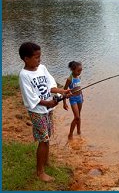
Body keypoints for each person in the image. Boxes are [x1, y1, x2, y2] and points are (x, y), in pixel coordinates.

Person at [18, 42, 71, 182]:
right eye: (36, 57)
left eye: (40, 57)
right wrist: (48, 103)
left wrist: (63, 92)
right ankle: (40, 172)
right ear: (26, 59)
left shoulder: (42, 68)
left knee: (48, 136)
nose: (39, 60)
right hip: (37, 111)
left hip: (47, 110)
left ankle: (46, 162)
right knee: (43, 139)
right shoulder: (24, 75)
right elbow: (31, 98)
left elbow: (51, 86)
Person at [63, 61, 84, 140]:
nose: (80, 72)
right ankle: (70, 134)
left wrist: (82, 96)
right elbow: (64, 91)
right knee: (77, 117)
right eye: (78, 71)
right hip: (73, 99)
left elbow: (79, 88)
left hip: (80, 98)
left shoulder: (79, 77)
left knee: (79, 116)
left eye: (81, 70)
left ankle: (78, 131)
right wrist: (64, 103)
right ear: (72, 70)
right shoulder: (69, 79)